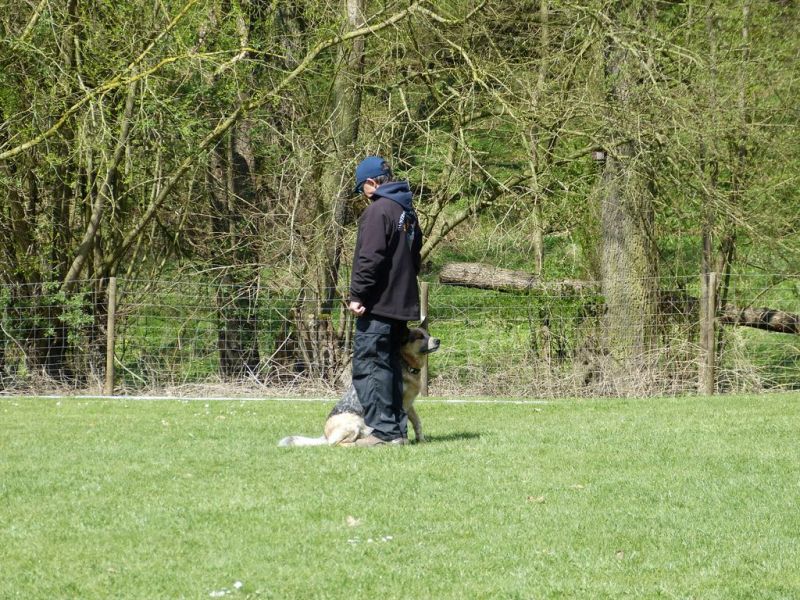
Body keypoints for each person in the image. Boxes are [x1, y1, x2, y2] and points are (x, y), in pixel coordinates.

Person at [348, 156, 422, 446]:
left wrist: (358, 294)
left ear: (371, 182)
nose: (363, 195)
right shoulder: (407, 212)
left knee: (370, 367)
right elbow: (414, 259)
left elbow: (370, 258)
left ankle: (382, 432)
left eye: (361, 188)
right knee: (390, 367)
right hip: (401, 305)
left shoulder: (379, 211)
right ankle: (397, 432)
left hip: (378, 304)